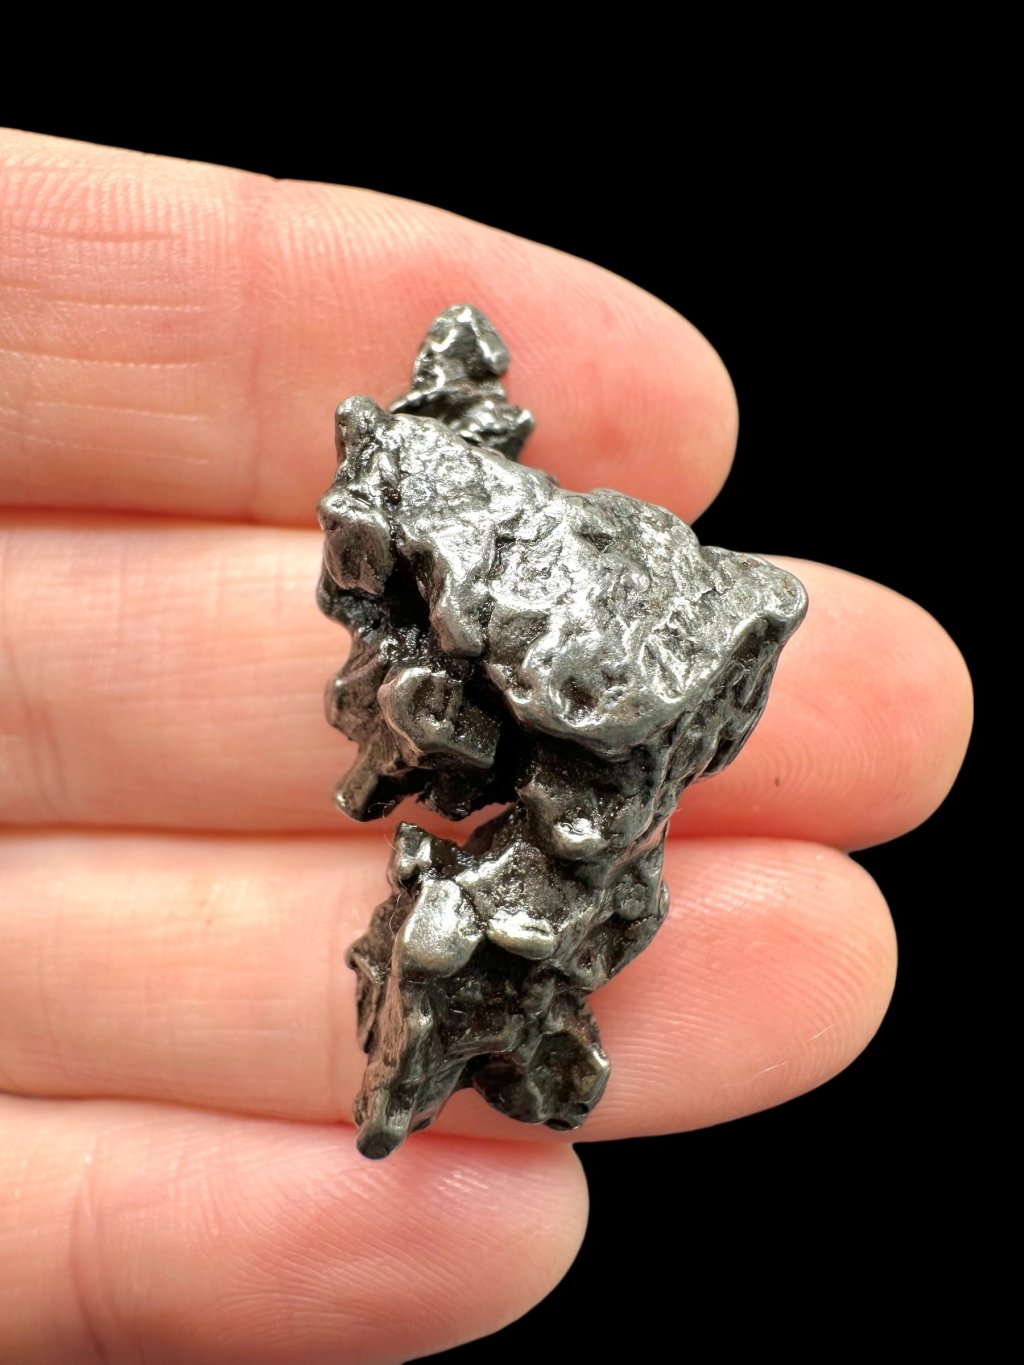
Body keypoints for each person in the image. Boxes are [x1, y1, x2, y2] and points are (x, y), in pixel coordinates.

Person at [0, 129, 972, 1362]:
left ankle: (491, 1017)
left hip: (595, 712)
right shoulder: (443, 577)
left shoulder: (581, 660)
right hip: (555, 700)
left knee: (519, 879)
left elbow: (568, 749)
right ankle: (478, 1021)